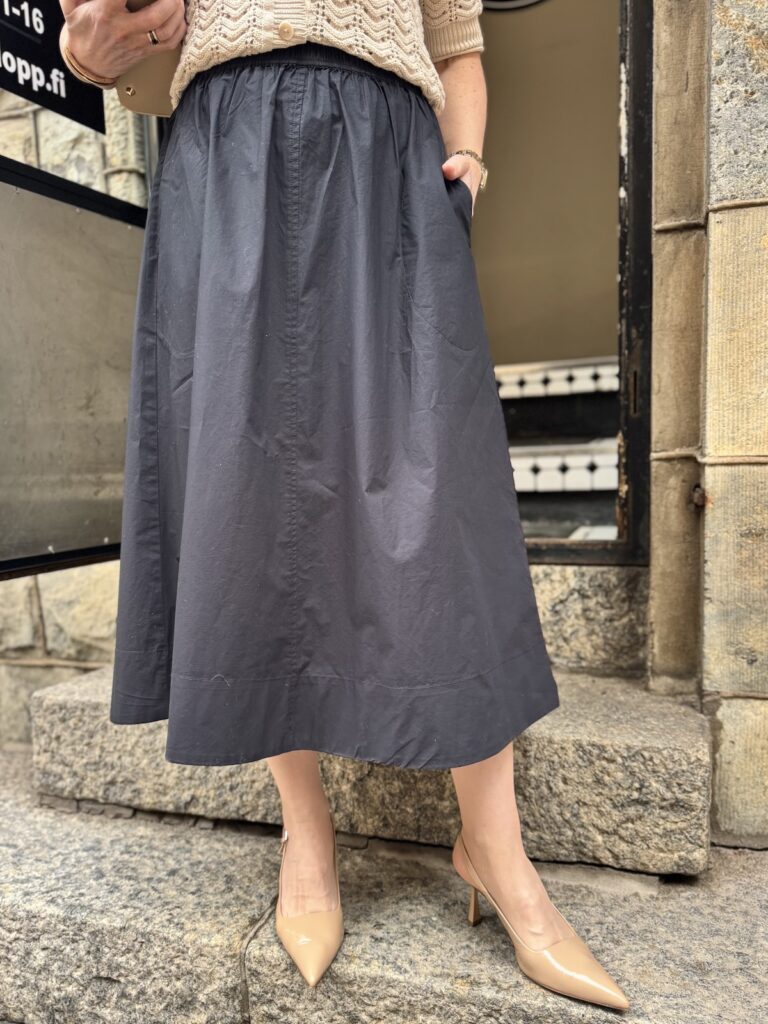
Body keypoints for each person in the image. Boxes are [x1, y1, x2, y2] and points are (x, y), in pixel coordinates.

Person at [59, 0, 629, 1009]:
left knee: (443, 495)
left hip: (391, 159)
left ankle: (496, 851)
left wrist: (467, 161)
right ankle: (307, 839)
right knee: (249, 494)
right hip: (229, 156)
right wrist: (96, 47)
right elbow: (99, 40)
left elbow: (457, 44)